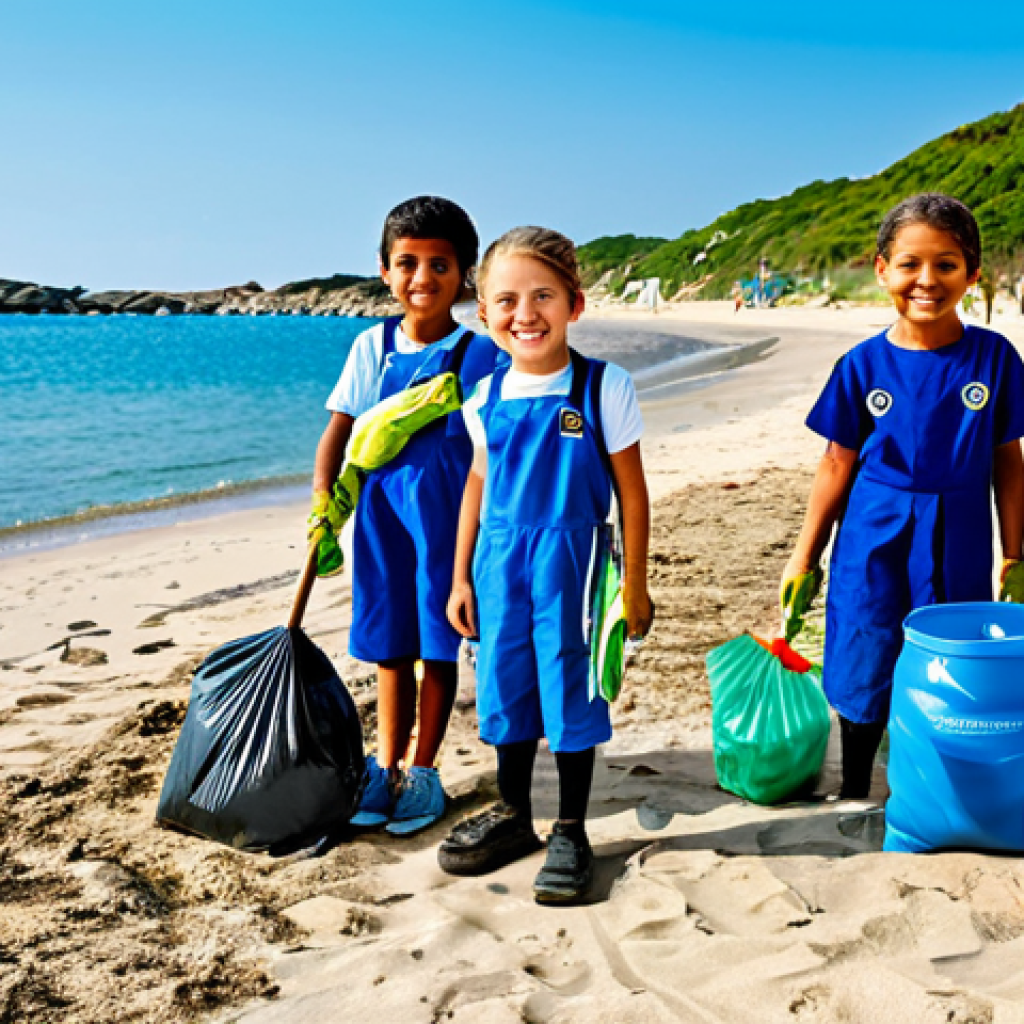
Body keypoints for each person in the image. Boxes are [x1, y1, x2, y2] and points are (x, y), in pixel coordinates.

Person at [780, 193, 1024, 800]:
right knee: (865, 643)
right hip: (872, 533)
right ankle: (858, 786)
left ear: (971, 273)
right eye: (910, 263)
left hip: (961, 531)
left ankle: (934, 788)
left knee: (952, 656)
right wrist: (804, 556)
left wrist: (1015, 553)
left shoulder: (993, 358)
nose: (927, 279)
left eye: (946, 264)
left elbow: (1008, 460)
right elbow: (836, 462)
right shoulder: (861, 365)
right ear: (882, 268)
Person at [437, 227, 654, 903]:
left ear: (574, 304)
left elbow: (632, 492)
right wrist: (459, 575)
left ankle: (569, 828)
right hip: (501, 563)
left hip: (576, 561)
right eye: (506, 300)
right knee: (505, 688)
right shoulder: (483, 397)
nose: (524, 313)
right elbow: (477, 482)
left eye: (543, 296)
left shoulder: (601, 387)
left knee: (569, 689)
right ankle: (513, 814)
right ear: (484, 313)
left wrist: (636, 586)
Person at [310, 196, 505, 835]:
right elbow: (338, 431)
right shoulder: (372, 345)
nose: (423, 278)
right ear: (385, 271)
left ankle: (423, 770)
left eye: (440, 265)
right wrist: (323, 504)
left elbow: (498, 442)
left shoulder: (480, 354)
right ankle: (385, 766)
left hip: (447, 520)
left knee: (437, 643)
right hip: (379, 517)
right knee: (388, 646)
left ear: (464, 274)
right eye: (408, 263)